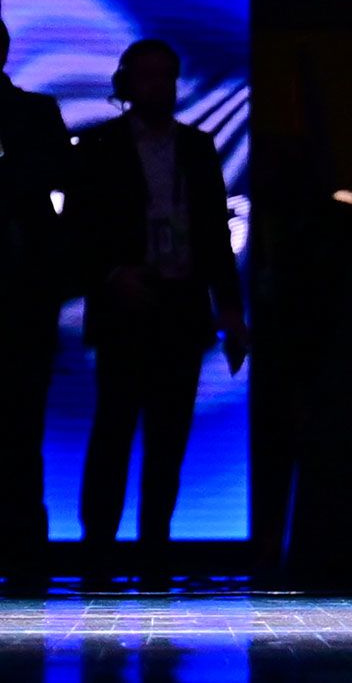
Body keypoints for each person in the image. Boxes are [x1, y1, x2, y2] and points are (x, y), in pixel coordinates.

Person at [66, 40, 247, 584]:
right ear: (127, 82)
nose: (159, 87)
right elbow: (76, 231)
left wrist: (232, 315)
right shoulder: (98, 148)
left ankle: (154, 553)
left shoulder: (197, 147)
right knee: (114, 433)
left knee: (168, 439)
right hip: (127, 306)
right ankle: (99, 552)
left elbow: (216, 238)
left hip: (180, 307)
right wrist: (110, 274)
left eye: (166, 77)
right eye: (148, 77)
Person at [0, 20, 71, 595]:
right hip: (26, 294)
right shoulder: (35, 116)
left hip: (22, 296)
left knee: (22, 429)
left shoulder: (35, 113)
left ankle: (24, 553)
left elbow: (55, 175)